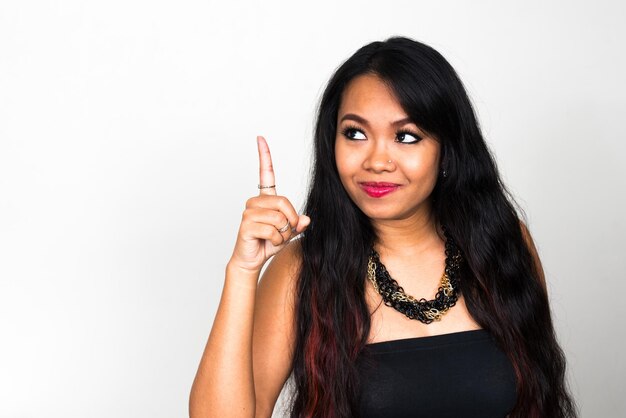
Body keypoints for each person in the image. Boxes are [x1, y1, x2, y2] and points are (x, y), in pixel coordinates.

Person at [189, 36, 578, 418]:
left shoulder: (503, 246)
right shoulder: (303, 268)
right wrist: (242, 271)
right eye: (355, 134)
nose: (377, 160)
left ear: (447, 150)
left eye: (406, 137)